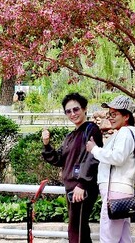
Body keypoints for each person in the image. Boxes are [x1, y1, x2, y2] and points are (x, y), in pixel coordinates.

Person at [42, 92, 103, 243]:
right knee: (77, 229)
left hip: (81, 188)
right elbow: (59, 159)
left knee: (77, 230)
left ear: (84, 109)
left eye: (76, 109)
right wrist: (46, 144)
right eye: (68, 111)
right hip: (72, 188)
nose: (72, 114)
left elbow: (93, 157)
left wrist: (82, 184)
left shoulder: (91, 129)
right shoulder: (71, 135)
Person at [86, 95, 135, 243]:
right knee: (123, 238)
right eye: (109, 114)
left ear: (126, 116)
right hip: (123, 191)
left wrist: (95, 150)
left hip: (115, 192)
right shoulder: (131, 133)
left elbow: (117, 157)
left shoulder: (124, 133)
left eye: (114, 114)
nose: (110, 118)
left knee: (108, 238)